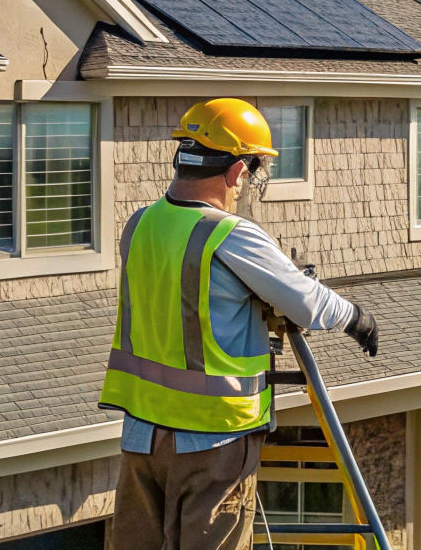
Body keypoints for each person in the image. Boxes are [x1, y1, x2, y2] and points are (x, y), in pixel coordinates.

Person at [100, 98, 381, 550]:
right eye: (253, 171)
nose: (250, 183)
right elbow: (307, 303)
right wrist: (357, 318)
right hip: (214, 439)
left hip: (143, 436)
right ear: (236, 172)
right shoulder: (230, 233)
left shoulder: (141, 224)